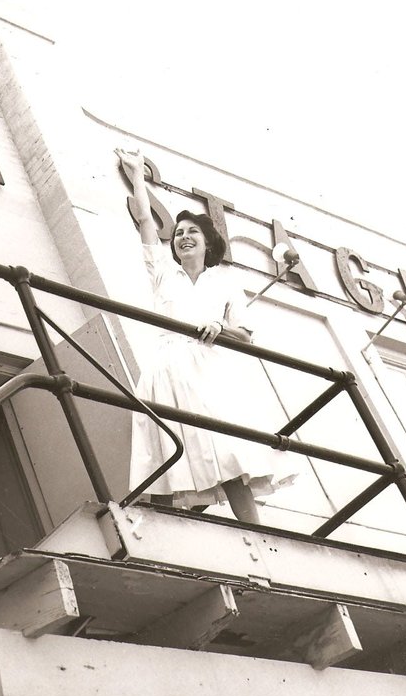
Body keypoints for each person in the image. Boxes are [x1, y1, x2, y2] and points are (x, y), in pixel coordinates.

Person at [118, 148, 295, 523]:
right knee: (165, 452)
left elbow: (245, 336)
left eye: (192, 232)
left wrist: (220, 328)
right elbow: (147, 223)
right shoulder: (164, 273)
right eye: (179, 233)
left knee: (228, 450)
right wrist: (137, 176)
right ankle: (165, 538)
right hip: (166, 369)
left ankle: (261, 537)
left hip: (209, 372)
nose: (183, 237)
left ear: (208, 242)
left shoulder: (226, 282)